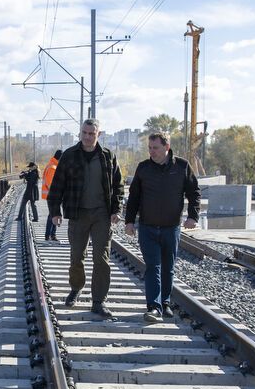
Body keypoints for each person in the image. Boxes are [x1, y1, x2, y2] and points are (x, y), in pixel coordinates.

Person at [46, 118, 123, 318]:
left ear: (99, 134)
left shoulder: (108, 157)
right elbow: (57, 187)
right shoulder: (70, 156)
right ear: (80, 133)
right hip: (78, 214)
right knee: (76, 257)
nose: (88, 137)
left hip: (102, 215)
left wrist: (116, 209)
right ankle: (76, 288)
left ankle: (98, 301)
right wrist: (55, 212)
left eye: (92, 134)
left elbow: (118, 186)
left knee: (101, 259)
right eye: (85, 133)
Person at [124, 130, 201, 323]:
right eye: (149, 148)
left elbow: (194, 193)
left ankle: (165, 302)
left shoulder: (182, 166)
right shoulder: (143, 168)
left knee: (168, 268)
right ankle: (154, 307)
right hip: (148, 227)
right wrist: (129, 221)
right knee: (153, 267)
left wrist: (193, 216)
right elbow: (134, 197)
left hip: (171, 228)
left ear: (167, 147)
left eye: (155, 148)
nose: (152, 151)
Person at [41, 150, 62, 241]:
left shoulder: (53, 165)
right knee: (53, 215)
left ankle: (51, 235)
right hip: (52, 196)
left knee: (53, 214)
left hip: (52, 195)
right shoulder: (53, 168)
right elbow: (51, 184)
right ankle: (49, 235)